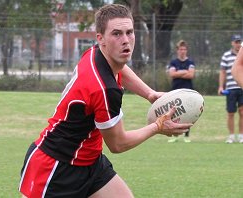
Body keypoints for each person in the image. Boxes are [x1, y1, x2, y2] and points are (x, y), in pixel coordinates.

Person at [18, 4, 192, 198]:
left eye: (129, 32)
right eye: (116, 34)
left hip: (90, 161)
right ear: (100, 39)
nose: (125, 40)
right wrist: (157, 127)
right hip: (56, 166)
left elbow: (120, 68)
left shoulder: (97, 53)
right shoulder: (104, 89)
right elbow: (118, 144)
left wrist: (150, 94)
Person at [167, 40, 195, 143]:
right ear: (177, 51)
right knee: (175, 113)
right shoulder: (173, 62)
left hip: (188, 91)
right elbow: (172, 74)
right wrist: (184, 72)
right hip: (176, 90)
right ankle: (175, 135)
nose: (182, 51)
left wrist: (178, 72)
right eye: (180, 49)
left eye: (184, 49)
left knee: (188, 113)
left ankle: (186, 136)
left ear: (186, 50)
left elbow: (191, 75)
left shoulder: (190, 62)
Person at [218, 34, 243, 144]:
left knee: (242, 112)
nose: (237, 44)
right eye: (236, 42)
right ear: (232, 43)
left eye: (239, 42)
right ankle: (231, 136)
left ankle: (241, 135)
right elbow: (223, 72)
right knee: (231, 113)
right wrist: (220, 86)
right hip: (231, 88)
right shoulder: (226, 56)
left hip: (241, 87)